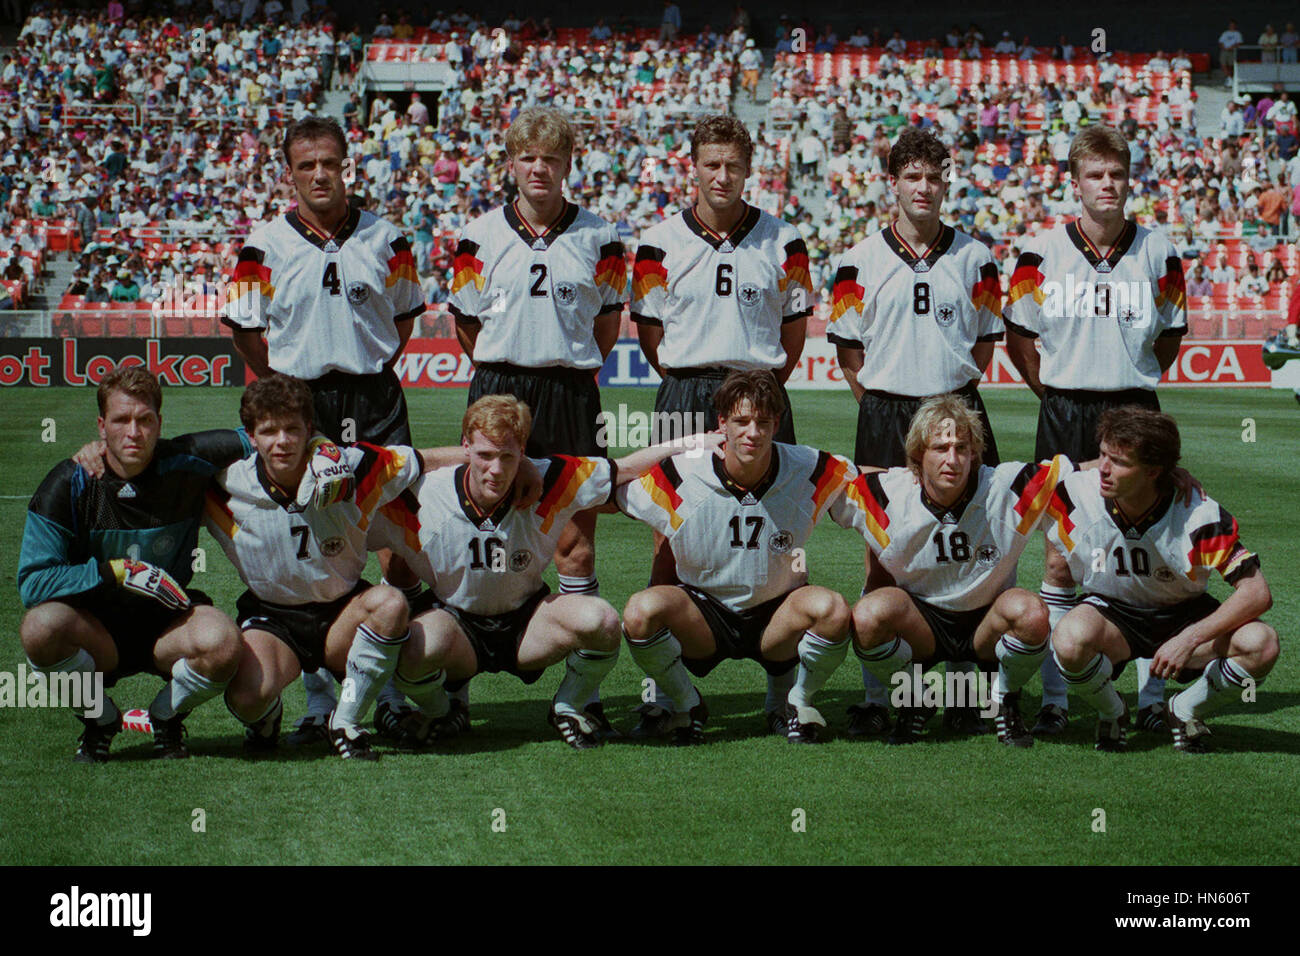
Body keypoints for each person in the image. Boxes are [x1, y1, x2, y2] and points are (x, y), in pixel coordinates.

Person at [224, 115, 427, 744]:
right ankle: (316, 692)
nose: (320, 174)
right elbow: (245, 328)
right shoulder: (262, 244)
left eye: (330, 163)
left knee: (396, 535)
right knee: (304, 534)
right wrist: (288, 394)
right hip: (300, 398)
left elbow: (403, 323)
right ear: (290, 172)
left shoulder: (389, 238)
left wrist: (363, 373)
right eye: (306, 165)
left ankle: (386, 687)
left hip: (374, 397)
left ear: (347, 165)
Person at [373, 395, 720, 750]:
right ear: (465, 447)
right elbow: (361, 501)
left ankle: (568, 705)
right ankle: (443, 709)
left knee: (602, 620)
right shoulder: (426, 493)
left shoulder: (551, 477)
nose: (495, 469)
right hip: (458, 628)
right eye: (484, 456)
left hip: (526, 627)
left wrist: (696, 442)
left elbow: (625, 468)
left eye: (507, 456)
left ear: (522, 451)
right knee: (413, 652)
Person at [1004, 125, 1188, 736]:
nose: (1107, 185)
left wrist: (1125, 381)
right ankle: (1056, 695)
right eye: (1095, 175)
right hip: (1065, 410)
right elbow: (1020, 339)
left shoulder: (1160, 253)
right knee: (1060, 558)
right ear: (1075, 182)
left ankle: (1153, 696)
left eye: (1116, 175)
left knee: (1148, 554)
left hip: (1135, 408)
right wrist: (1058, 391)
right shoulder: (1038, 253)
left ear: (1129, 179)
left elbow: (1170, 336)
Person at [631, 115, 813, 730]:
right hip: (685, 390)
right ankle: (665, 683)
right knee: (668, 530)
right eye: (711, 163)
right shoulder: (658, 242)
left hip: (759, 393)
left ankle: (781, 685)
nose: (722, 175)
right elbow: (651, 333)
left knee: (782, 529)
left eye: (733, 165)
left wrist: (757, 392)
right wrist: (694, 382)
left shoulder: (784, 241)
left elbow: (793, 331)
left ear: (748, 169)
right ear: (694, 167)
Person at [447, 106, 626, 730]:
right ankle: (453, 688)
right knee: (480, 532)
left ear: (568, 165)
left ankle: (581, 692)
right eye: (528, 158)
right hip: (498, 386)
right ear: (510, 165)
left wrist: (562, 369)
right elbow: (467, 323)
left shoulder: (602, 237)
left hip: (570, 392)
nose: (539, 169)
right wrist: (505, 374)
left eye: (551, 158)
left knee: (575, 539)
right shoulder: (476, 236)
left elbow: (606, 326)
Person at [827, 127, 1004, 738]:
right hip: (885, 414)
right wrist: (884, 402)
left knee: (975, 546)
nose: (923, 188)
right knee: (883, 552)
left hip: (957, 409)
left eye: (934, 176)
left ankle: (972, 689)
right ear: (892, 183)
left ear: (945, 181)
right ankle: (886, 693)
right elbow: (850, 353)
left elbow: (982, 343)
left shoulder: (977, 257)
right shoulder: (856, 259)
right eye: (912, 177)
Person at [213, 375, 478, 760]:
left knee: (390, 603)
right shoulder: (224, 482)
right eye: (269, 431)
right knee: (247, 698)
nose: (282, 441)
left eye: (292, 429)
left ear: (310, 430)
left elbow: (419, 459)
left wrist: (489, 458)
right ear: (251, 437)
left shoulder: (352, 467)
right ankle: (268, 719)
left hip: (342, 615)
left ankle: (346, 721)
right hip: (274, 620)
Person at [17, 368, 248, 761]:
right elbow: (33, 583)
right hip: (96, 630)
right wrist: (116, 571)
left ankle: (166, 716)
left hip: (167, 623)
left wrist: (321, 447)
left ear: (159, 423)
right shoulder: (69, 483)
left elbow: (267, 433)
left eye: (145, 420)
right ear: (101, 426)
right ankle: (100, 719)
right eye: (121, 420)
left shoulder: (187, 461)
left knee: (224, 642)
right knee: (40, 628)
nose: (134, 432)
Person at [617, 370, 858, 745]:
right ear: (722, 424)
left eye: (763, 423)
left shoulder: (810, 467)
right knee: (639, 613)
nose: (752, 433)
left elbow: (870, 487)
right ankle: (686, 703)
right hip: (703, 614)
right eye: (741, 421)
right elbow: (606, 486)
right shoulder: (684, 471)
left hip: (777, 615)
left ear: (777, 424)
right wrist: (680, 445)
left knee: (834, 610)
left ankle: (794, 703)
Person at [839, 396, 1075, 746]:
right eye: (940, 447)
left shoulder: (1003, 487)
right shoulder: (889, 493)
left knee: (1031, 613)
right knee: (867, 616)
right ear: (918, 455)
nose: (953, 459)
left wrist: (1157, 469)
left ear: (974, 453)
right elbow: (817, 483)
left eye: (962, 448)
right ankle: (916, 700)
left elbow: (1078, 476)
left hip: (987, 623)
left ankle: (1004, 702)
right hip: (922, 626)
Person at [1048, 408, 1278, 752]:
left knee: (1262, 643)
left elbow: (1257, 592)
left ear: (1154, 471)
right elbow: (1012, 482)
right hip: (1112, 616)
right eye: (1103, 456)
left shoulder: (1197, 514)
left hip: (1182, 614)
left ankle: (1183, 709)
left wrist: (1189, 638)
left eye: (1119, 462)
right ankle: (1113, 712)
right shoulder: (1076, 491)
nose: (1104, 469)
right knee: (1068, 640)